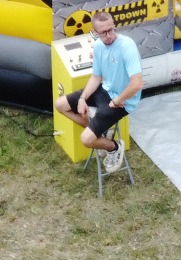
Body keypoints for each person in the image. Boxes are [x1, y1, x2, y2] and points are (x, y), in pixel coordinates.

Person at [53, 11, 143, 174]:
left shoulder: (127, 46)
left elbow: (136, 84)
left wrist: (117, 101)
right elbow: (96, 76)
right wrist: (82, 99)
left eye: (111, 30)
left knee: (86, 140)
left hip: (122, 101)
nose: (109, 35)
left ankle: (114, 146)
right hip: (105, 90)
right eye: (104, 32)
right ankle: (100, 134)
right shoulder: (99, 46)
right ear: (95, 33)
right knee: (60, 104)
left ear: (114, 25)